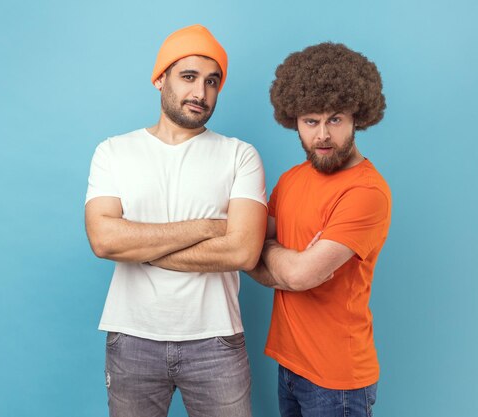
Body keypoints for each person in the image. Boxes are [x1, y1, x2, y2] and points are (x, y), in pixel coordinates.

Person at [84, 24, 267, 417]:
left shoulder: (240, 155)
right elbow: (103, 239)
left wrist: (142, 248)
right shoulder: (114, 151)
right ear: (160, 78)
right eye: (188, 77)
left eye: (212, 82)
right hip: (132, 337)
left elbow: (243, 250)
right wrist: (209, 226)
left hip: (216, 340)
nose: (200, 93)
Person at [246, 42, 391, 417]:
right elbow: (247, 252)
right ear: (293, 120)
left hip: (338, 381)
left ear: (357, 117)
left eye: (335, 119)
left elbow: (298, 274)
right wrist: (287, 261)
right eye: (311, 121)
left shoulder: (366, 192)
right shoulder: (291, 180)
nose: (323, 134)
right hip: (289, 365)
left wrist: (279, 259)